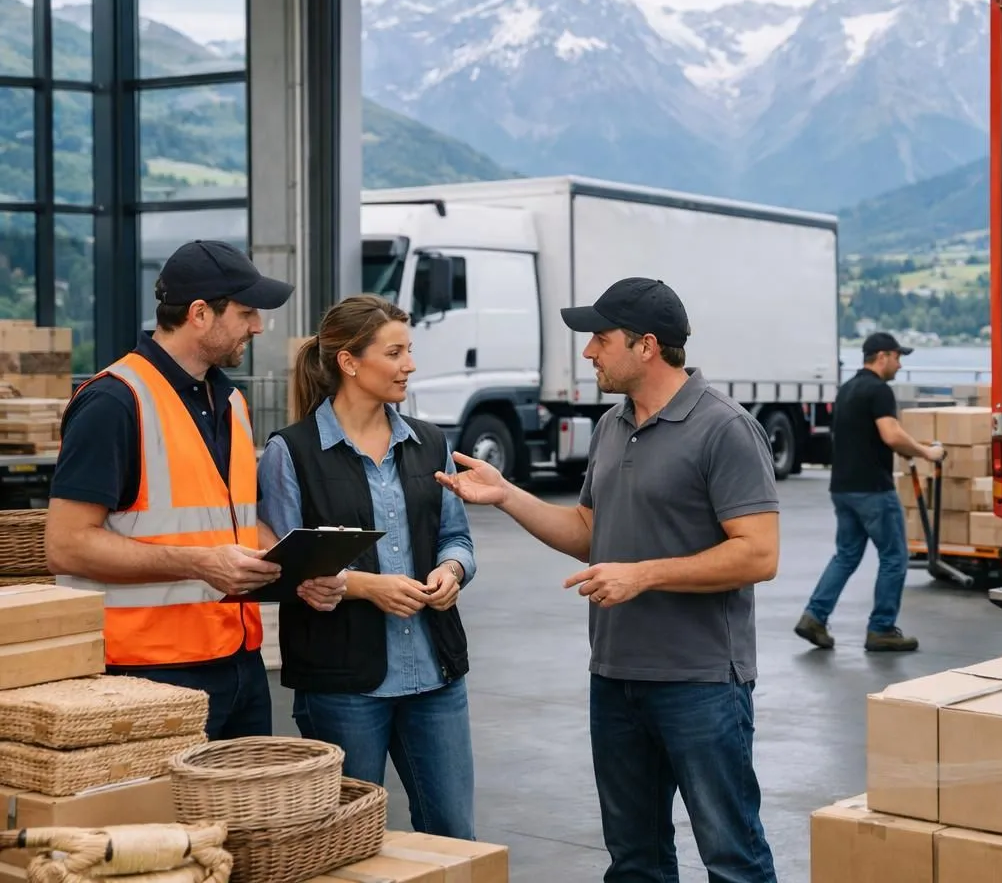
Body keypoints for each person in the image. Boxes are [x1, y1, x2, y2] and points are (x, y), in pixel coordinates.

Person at [436, 276, 780, 882]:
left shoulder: (724, 428)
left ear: (647, 345)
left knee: (733, 859)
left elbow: (758, 555)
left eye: (600, 338)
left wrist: (644, 575)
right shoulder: (611, 427)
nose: (589, 352)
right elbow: (590, 531)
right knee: (634, 861)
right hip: (616, 680)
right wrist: (508, 495)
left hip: (700, 683)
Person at [43, 240, 328, 740]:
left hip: (238, 662)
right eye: (246, 313)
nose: (258, 327)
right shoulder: (114, 401)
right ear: (199, 314)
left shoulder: (231, 402)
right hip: (147, 673)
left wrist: (299, 570)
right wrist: (198, 562)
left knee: (242, 817)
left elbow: (231, 520)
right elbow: (66, 545)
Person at [256, 294, 479, 840]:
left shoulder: (431, 444)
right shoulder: (293, 452)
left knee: (452, 832)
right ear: (350, 362)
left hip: (436, 674)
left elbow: (458, 538)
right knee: (348, 840)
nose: (410, 364)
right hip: (343, 684)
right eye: (395, 352)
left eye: (410, 350)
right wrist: (364, 586)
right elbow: (286, 567)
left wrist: (452, 571)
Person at [795, 331, 944, 654]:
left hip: (843, 488)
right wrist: (924, 452)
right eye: (897, 356)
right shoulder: (879, 391)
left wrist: (904, 449)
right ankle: (881, 629)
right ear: (882, 356)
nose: (900, 364)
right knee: (894, 557)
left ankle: (814, 617)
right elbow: (890, 434)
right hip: (873, 489)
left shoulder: (847, 389)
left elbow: (865, 436)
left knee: (846, 555)